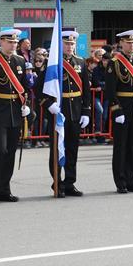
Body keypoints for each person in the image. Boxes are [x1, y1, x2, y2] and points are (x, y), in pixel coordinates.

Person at [0, 29, 34, 203]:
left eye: (15, 42)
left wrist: (26, 106)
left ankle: (5, 189)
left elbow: (24, 88)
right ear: (1, 42)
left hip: (15, 113)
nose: (13, 45)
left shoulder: (20, 61)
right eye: (10, 42)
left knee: (10, 152)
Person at [37, 30, 91, 197]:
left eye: (72, 44)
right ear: (61, 45)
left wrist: (86, 111)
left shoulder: (80, 62)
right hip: (58, 112)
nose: (70, 46)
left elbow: (86, 90)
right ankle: (57, 183)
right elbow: (39, 89)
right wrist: (48, 104)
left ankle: (69, 182)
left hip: (74, 112)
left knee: (72, 149)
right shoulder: (52, 62)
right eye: (67, 44)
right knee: (57, 149)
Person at [105, 30, 133, 194]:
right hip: (123, 108)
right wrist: (117, 110)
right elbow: (110, 90)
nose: (131, 45)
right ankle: (121, 181)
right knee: (121, 147)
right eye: (128, 42)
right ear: (121, 44)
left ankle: (132, 180)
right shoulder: (114, 62)